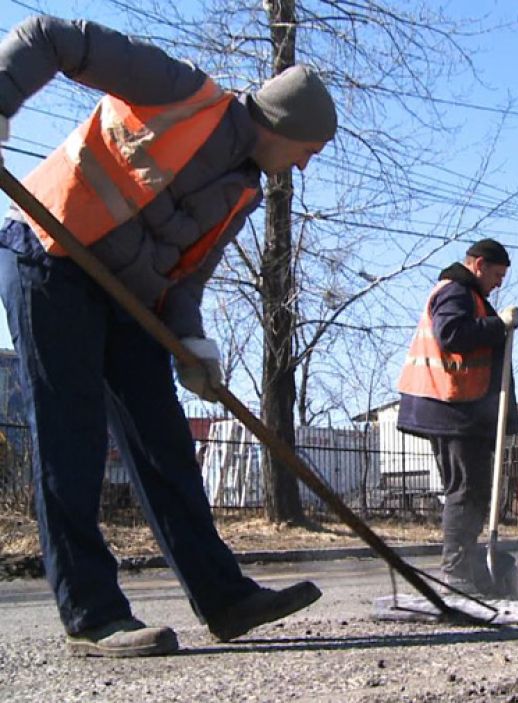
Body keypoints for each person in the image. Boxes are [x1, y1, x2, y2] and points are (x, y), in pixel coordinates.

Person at [0, 16, 336, 657]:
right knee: (69, 438)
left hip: (126, 297)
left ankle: (224, 597)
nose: (307, 162)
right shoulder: (179, 91)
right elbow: (51, 35)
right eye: (310, 148)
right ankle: (93, 616)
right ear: (286, 127)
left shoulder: (243, 192)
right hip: (49, 252)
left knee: (164, 442)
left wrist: (195, 351)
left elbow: (181, 288)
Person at [396, 238, 518, 593]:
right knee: (466, 489)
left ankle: (470, 569)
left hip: (462, 408)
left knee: (474, 489)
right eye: (496, 275)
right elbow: (451, 334)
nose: (498, 283)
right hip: (450, 406)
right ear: (478, 265)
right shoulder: (455, 291)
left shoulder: (471, 296)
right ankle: (457, 573)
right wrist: (500, 327)